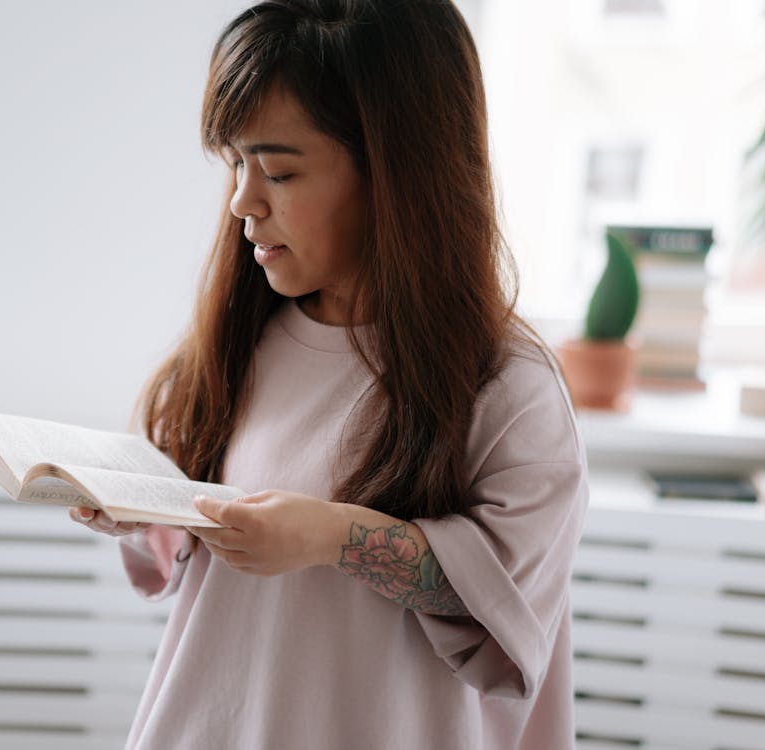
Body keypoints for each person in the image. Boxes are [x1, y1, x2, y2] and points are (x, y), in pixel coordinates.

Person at [70, 1, 589, 747]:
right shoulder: (243, 343)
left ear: (398, 171)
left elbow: (506, 610)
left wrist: (334, 536)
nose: (244, 203)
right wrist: (139, 505)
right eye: (236, 164)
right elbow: (195, 551)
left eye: (277, 170)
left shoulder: (508, 389)